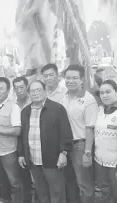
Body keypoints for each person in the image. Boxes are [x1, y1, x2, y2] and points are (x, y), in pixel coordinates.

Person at [18, 80, 73, 203]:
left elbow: (65, 133)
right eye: (32, 91)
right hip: (33, 160)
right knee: (41, 192)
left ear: (45, 91)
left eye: (38, 90)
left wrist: (63, 153)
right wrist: (21, 154)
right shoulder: (25, 111)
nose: (35, 93)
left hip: (52, 160)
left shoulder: (57, 109)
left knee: (57, 193)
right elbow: (22, 135)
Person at [41, 63, 80, 203]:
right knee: (54, 179)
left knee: (70, 177)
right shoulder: (42, 91)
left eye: (51, 75)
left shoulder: (65, 92)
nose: (48, 78)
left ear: (57, 75)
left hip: (66, 139)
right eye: (45, 76)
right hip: (49, 143)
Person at [62, 65, 97, 203]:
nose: (70, 81)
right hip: (66, 147)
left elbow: (90, 128)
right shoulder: (64, 97)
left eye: (74, 78)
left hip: (80, 146)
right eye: (68, 78)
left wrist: (87, 152)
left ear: (82, 80)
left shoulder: (88, 100)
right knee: (70, 182)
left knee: (85, 184)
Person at [0, 77, 23, 203]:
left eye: (1, 88)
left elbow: (17, 131)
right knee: (1, 181)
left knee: (15, 182)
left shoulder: (14, 107)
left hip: (8, 152)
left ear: (8, 90)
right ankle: (4, 200)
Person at [94, 79, 117, 203]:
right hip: (99, 161)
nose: (104, 95)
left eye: (108, 92)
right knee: (105, 193)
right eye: (101, 93)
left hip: (116, 163)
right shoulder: (99, 110)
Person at [13, 76, 33, 203]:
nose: (19, 90)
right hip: (17, 142)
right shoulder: (12, 102)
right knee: (22, 174)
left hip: (33, 141)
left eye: (21, 87)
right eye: (16, 88)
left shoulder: (33, 101)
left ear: (27, 87)